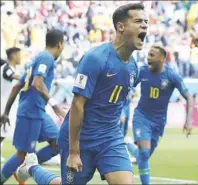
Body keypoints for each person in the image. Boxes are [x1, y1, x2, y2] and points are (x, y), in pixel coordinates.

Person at [16, 3, 148, 185]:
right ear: (120, 26)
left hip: (110, 137)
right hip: (81, 140)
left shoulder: (133, 67)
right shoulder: (95, 58)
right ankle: (32, 167)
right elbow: (77, 105)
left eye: (146, 22)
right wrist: (73, 152)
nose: (144, 26)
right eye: (138, 21)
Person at [0, 29, 66, 184]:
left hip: (38, 112)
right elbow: (37, 83)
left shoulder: (36, 59)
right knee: (22, 154)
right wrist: (54, 105)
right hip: (31, 112)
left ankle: (25, 169)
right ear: (60, 44)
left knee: (59, 143)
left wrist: (6, 112)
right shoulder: (46, 58)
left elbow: (17, 86)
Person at [126, 45, 193, 185]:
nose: (148, 58)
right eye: (148, 55)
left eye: (152, 55)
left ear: (162, 58)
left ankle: (127, 144)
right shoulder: (142, 71)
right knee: (144, 154)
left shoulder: (172, 75)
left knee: (143, 156)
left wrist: (188, 121)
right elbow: (127, 88)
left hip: (159, 122)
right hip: (142, 116)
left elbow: (189, 97)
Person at [0, 47, 21, 162]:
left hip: (6, 105)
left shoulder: (12, 69)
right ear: (12, 55)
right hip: (2, 104)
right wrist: (27, 77)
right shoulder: (7, 69)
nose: (20, 57)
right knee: (2, 131)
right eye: (18, 55)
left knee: (3, 131)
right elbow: (11, 76)